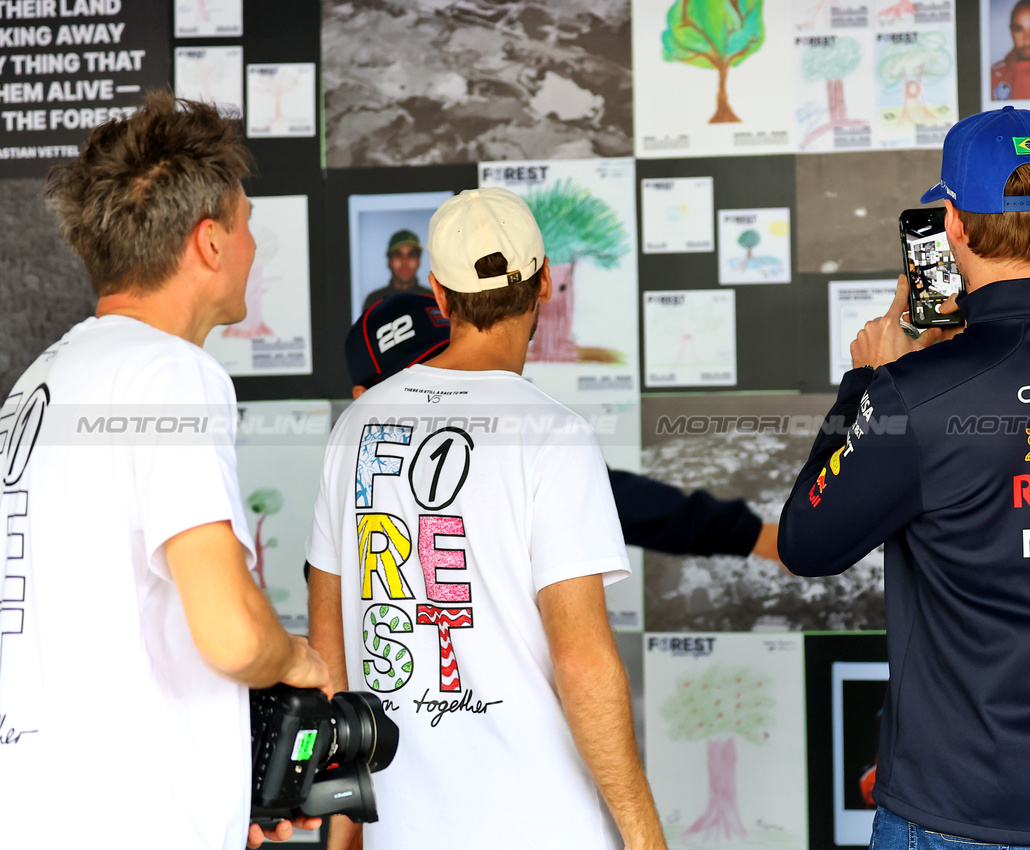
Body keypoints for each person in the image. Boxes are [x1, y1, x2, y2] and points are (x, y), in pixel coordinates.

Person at [778, 106, 1030, 847]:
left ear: (951, 224)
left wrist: (866, 384)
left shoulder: (916, 393)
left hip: (962, 810)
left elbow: (807, 541)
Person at [0, 92, 330, 849]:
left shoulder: (41, 382)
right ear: (209, 242)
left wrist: (219, 797)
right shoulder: (169, 374)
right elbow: (234, 637)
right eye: (247, 225)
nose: (252, 247)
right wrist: (301, 660)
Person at [306, 188, 666, 850]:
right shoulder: (553, 435)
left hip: (404, 831)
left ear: (438, 297)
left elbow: (329, 657)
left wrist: (343, 837)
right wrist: (646, 838)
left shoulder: (354, 428)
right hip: (543, 828)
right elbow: (582, 663)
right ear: (545, 284)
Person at [343, 291, 783, 560]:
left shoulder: (507, 440)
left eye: (450, 360)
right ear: (363, 402)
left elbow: (618, 501)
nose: (444, 382)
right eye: (414, 377)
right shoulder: (345, 482)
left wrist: (750, 535)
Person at [360, 228, 428, 314]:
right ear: (389, 261)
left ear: (419, 261)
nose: (405, 262)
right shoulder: (374, 301)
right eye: (398, 254)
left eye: (411, 254)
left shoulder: (432, 299)